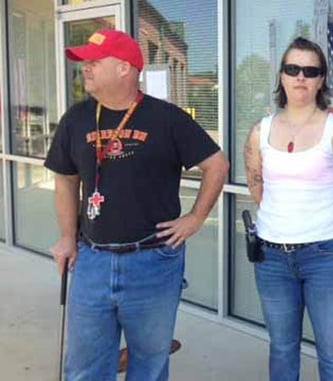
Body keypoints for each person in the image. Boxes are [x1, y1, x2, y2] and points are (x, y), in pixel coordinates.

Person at [45, 29, 229, 380]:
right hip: (92, 260)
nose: (86, 68)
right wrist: (67, 237)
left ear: (125, 69)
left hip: (153, 262)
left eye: (96, 61)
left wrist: (195, 218)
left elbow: (216, 165)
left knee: (149, 364)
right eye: (85, 62)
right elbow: (66, 180)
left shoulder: (167, 118)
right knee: (85, 367)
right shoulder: (77, 119)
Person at [244, 36, 333, 381]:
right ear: (282, 76)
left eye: (310, 71)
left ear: (321, 80)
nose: (301, 76)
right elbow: (258, 188)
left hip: (327, 258)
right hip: (272, 259)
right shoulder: (260, 131)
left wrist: (320, 224)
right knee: (282, 348)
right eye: (293, 68)